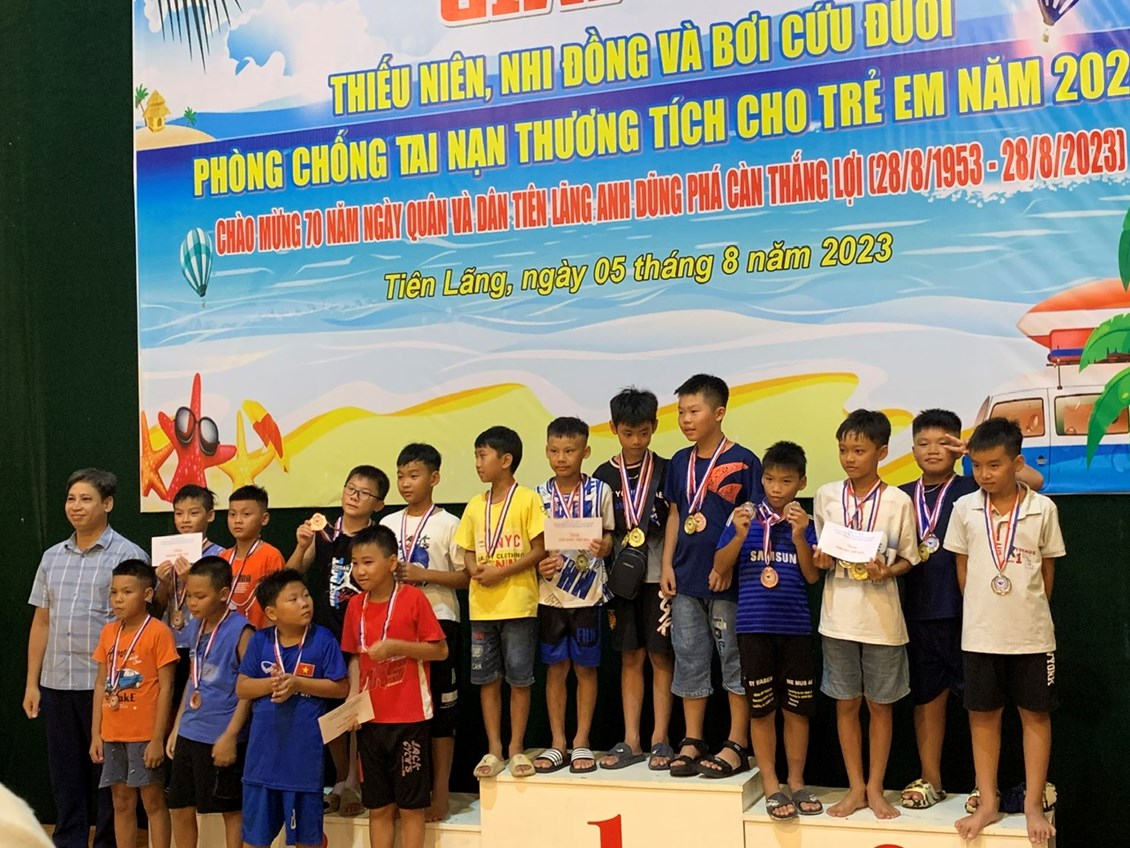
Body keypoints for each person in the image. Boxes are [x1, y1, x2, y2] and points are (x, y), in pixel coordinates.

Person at [945, 417, 1064, 844]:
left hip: (1032, 635)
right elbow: (962, 570)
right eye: (977, 466)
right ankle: (988, 801)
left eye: (994, 465)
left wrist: (1025, 611)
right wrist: (985, 609)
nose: (985, 474)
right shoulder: (964, 508)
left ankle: (1033, 802)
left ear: (1017, 463)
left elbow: (1046, 574)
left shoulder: (1042, 509)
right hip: (980, 634)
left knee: (1035, 715)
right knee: (982, 716)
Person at [24, 468, 149, 848]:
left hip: (108, 685)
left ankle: (108, 842)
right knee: (65, 774)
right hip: (57, 681)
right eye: (71, 499)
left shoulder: (129, 555)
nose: (76, 507)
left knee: (109, 776)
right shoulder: (51, 557)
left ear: (107, 504)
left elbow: (139, 625)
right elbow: (41, 620)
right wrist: (32, 682)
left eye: (86, 499)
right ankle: (69, 840)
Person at [811, 409, 919, 819]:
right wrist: (821, 560)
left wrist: (887, 571)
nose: (849, 458)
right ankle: (855, 787)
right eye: (843, 450)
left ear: (882, 452)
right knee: (844, 703)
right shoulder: (826, 495)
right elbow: (822, 552)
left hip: (882, 620)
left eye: (859, 450)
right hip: (837, 615)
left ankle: (876, 788)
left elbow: (909, 558)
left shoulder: (898, 501)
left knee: (880, 705)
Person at [713, 441, 822, 819]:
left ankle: (797, 781)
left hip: (796, 627)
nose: (777, 488)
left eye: (786, 481)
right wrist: (740, 536)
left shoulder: (805, 522)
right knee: (761, 710)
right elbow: (720, 566)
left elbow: (812, 576)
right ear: (762, 479)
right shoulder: (742, 516)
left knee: (797, 710)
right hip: (753, 627)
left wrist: (799, 537)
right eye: (771, 479)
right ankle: (772, 783)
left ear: (802, 482)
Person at [661, 374, 762, 778]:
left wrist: (726, 567)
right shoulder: (679, 462)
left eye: (694, 411)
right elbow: (675, 514)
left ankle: (737, 743)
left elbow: (751, 522)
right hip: (686, 579)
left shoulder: (745, 460)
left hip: (729, 582)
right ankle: (693, 739)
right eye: (681, 412)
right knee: (689, 658)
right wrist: (666, 564)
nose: (686, 419)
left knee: (734, 660)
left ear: (718, 413)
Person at [288, 464, 388, 816]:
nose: (353, 496)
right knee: (328, 709)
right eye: (350, 488)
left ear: (378, 504)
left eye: (364, 493)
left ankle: (356, 782)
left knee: (357, 707)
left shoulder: (377, 538)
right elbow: (293, 573)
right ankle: (342, 780)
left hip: (362, 633)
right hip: (324, 633)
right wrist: (302, 545)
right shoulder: (323, 532)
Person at [341, 526, 448, 848]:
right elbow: (356, 658)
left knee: (411, 808)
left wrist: (398, 647)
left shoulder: (413, 599)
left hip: (409, 719)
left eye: (368, 562)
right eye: (355, 563)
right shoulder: (354, 606)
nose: (360, 571)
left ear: (391, 563)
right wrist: (352, 701)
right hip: (371, 720)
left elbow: (440, 650)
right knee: (379, 808)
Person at [379, 445, 466, 821]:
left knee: (442, 714)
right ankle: (404, 791)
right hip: (395, 624)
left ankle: (441, 790)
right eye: (400, 476)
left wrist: (423, 575)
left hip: (439, 622)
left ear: (434, 478)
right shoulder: (387, 524)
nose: (405, 483)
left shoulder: (450, 523)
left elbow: (466, 577)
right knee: (400, 714)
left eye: (413, 475)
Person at [454, 426, 546, 780]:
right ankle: (494, 749)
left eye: (483, 456)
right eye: (476, 456)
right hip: (482, 608)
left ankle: (516, 747)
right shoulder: (475, 505)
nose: (478, 463)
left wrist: (501, 572)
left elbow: (539, 550)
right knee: (487, 680)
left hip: (519, 604)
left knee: (520, 679)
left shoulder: (527, 500)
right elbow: (466, 550)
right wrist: (473, 568)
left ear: (506, 460)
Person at [236, 569, 349, 848]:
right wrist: (273, 684)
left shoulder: (323, 639)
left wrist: (297, 683)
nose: (304, 603)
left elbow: (341, 687)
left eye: (306, 595)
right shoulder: (260, 641)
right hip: (261, 764)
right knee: (254, 841)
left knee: (307, 841)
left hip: (303, 765)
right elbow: (242, 688)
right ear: (272, 613)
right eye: (294, 599)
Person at [594, 388, 676, 771]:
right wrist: (602, 543)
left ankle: (660, 739)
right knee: (630, 657)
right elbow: (601, 529)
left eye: (644, 432)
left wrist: (670, 566)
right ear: (614, 428)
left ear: (654, 426)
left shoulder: (667, 469)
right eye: (628, 433)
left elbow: (675, 518)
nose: (637, 441)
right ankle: (632, 739)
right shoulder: (602, 476)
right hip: (621, 580)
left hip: (658, 575)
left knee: (661, 655)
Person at [532, 418, 615, 775]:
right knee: (555, 669)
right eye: (554, 451)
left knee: (585, 668)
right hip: (551, 596)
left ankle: (581, 740)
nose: (561, 458)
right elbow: (534, 547)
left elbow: (609, 535)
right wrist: (539, 564)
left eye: (569, 451)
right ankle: (557, 742)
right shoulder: (537, 495)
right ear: (546, 451)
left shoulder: (600, 491)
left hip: (589, 595)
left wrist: (604, 546)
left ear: (586, 451)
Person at [89, 560, 179, 848]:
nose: (118, 599)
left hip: (144, 734)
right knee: (121, 801)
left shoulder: (158, 632)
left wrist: (157, 738)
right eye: (114, 592)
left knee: (152, 801)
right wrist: (96, 734)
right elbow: (101, 684)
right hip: (113, 732)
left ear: (148, 594)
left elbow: (166, 688)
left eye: (127, 592)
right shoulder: (108, 633)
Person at [166, 556, 254, 848]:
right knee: (179, 807)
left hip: (221, 734)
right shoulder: (196, 626)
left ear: (224, 594)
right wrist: (177, 726)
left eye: (200, 596)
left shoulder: (242, 631)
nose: (192, 603)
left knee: (231, 810)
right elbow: (193, 679)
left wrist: (230, 736)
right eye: (189, 595)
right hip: (190, 730)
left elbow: (248, 690)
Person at [155, 485, 226, 706]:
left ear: (210, 515)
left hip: (204, 642)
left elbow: (221, 602)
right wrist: (164, 584)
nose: (185, 520)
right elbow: (156, 607)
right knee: (169, 702)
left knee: (198, 700)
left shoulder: (219, 555)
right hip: (169, 643)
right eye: (179, 513)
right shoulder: (165, 552)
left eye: (193, 513)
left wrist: (189, 579)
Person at [224, 485, 286, 630]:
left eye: (246, 514)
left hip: (261, 634)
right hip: (228, 636)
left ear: (264, 519)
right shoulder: (223, 558)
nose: (237, 520)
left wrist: (267, 638)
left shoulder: (271, 556)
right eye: (232, 514)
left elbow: (276, 603)